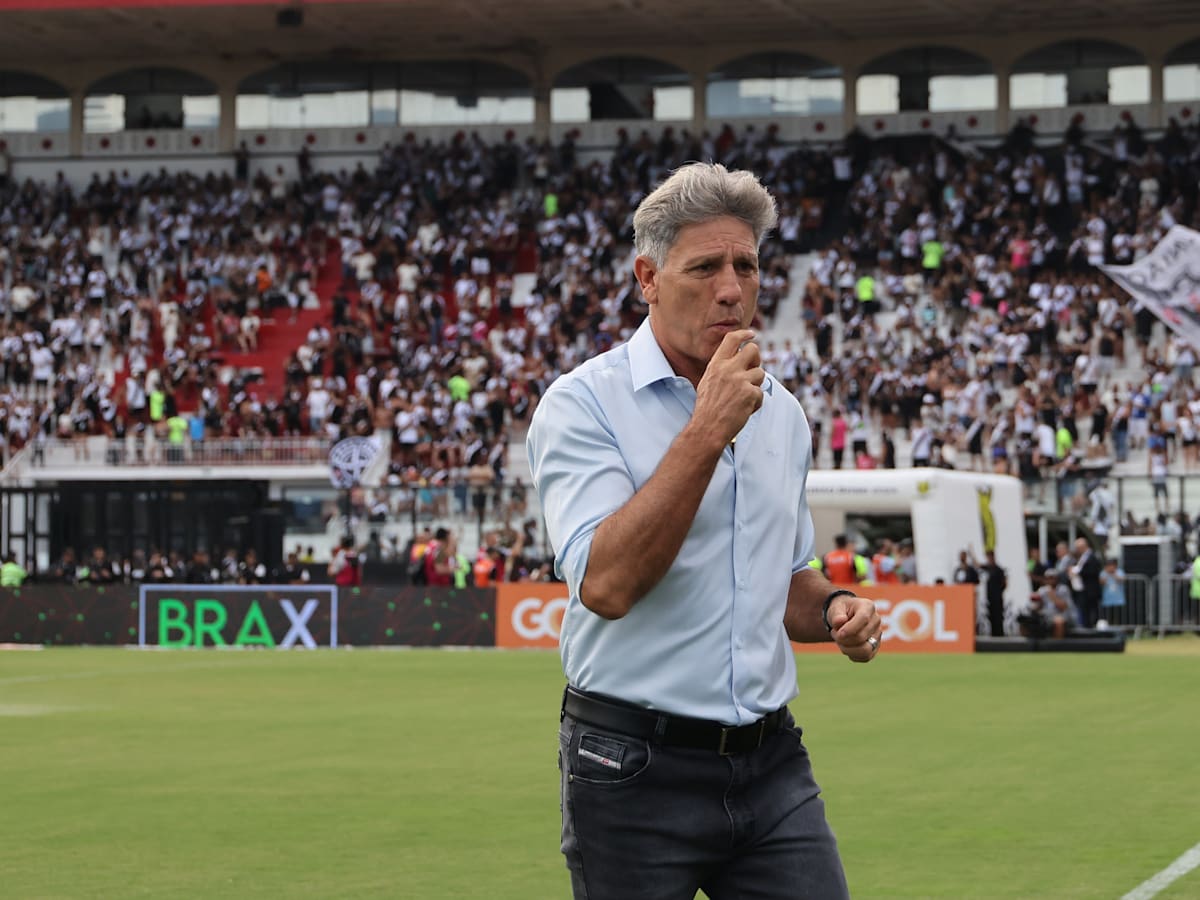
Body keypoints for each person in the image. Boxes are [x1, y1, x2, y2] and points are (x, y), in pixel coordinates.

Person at [527, 162, 881, 900]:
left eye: (745, 265)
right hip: (630, 767)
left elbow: (784, 576)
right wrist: (707, 427)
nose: (731, 289)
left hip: (771, 762)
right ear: (647, 279)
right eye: (705, 267)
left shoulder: (782, 412)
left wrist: (833, 608)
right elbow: (607, 585)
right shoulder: (581, 405)